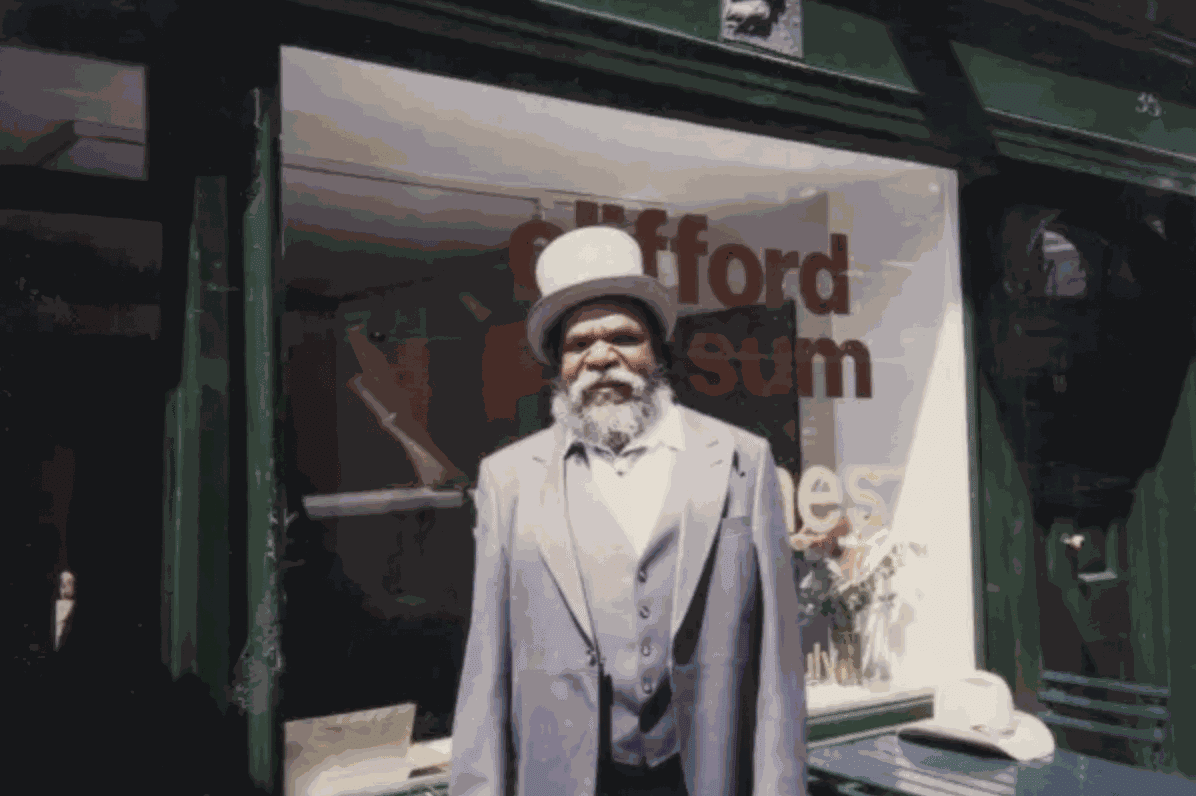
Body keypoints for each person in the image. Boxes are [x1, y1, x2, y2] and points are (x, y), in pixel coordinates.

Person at [450, 225, 808, 796]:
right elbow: (486, 661)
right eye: (577, 344)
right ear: (559, 366)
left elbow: (778, 661)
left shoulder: (744, 458)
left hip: (706, 774)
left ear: (657, 351)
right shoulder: (507, 478)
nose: (600, 357)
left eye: (622, 335)